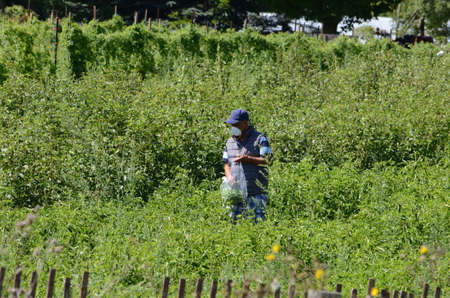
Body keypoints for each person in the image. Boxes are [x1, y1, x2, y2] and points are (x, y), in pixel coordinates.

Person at [222, 109, 273, 222]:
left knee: (256, 226)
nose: (234, 127)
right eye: (232, 125)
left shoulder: (259, 139)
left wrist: (248, 159)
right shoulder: (229, 142)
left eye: (236, 124)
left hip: (255, 194)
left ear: (245, 123)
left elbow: (269, 160)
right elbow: (226, 164)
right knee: (233, 227)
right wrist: (229, 177)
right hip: (235, 195)